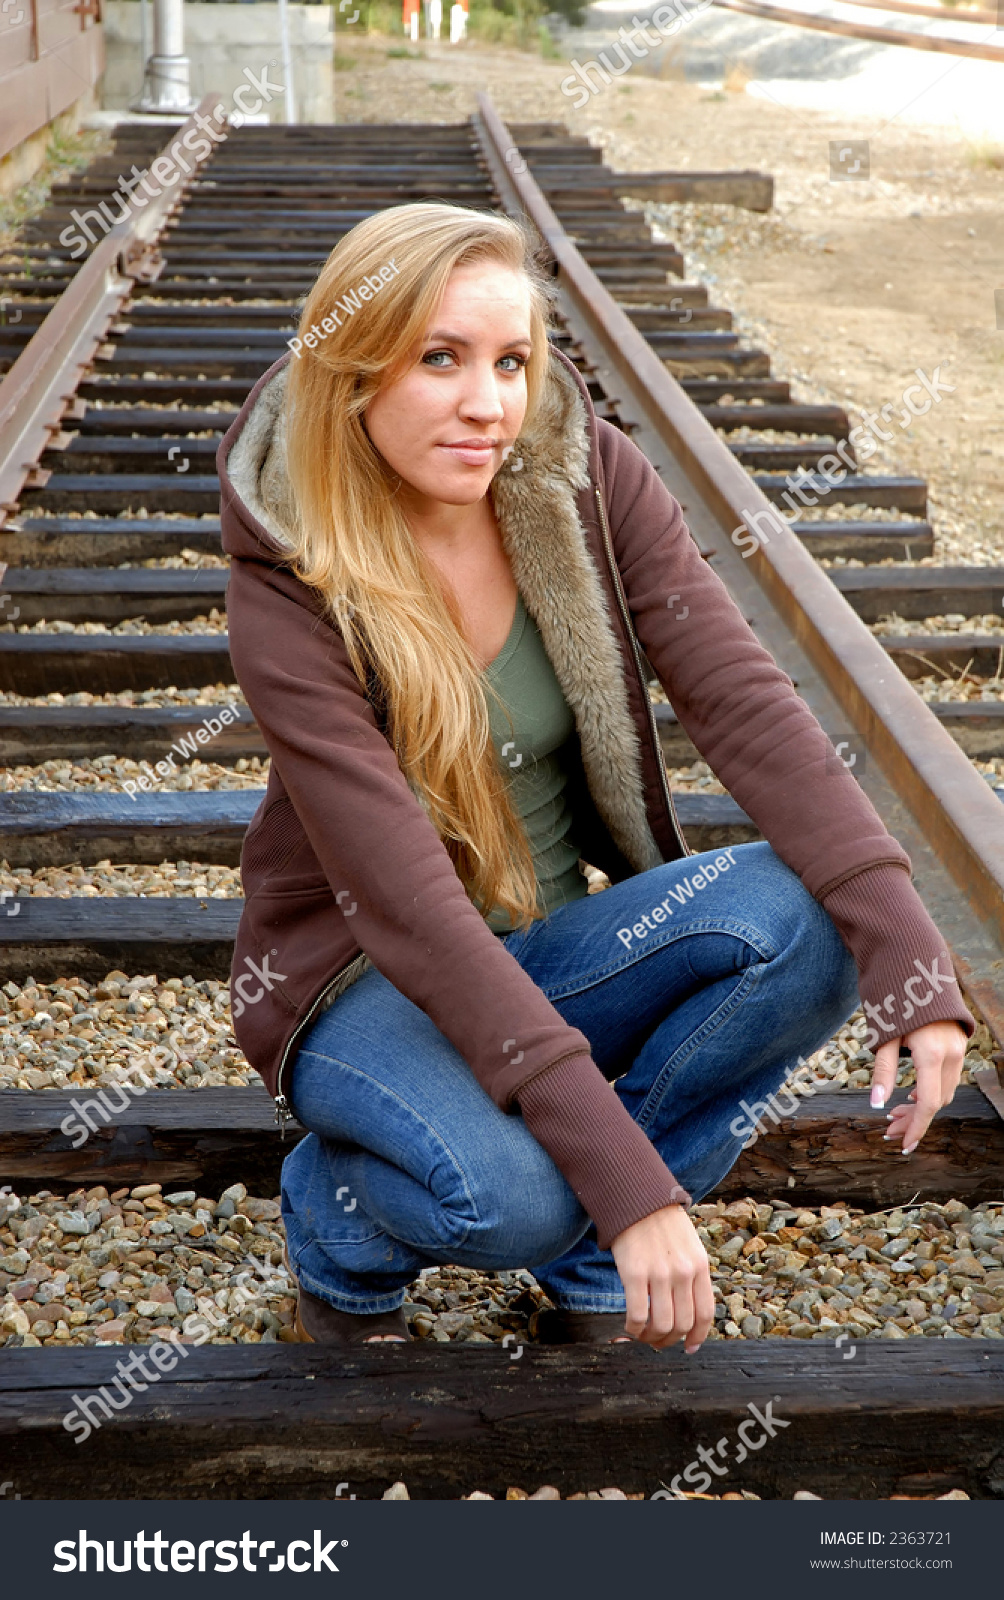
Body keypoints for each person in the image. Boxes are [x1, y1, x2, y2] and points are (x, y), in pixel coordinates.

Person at [218, 201, 972, 1349]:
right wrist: (630, 1185)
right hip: (361, 983)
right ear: (352, 371)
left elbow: (741, 699)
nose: (488, 404)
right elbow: (410, 911)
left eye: (511, 361)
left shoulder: (577, 477)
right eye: (439, 359)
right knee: (503, 1196)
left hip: (548, 940)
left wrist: (908, 955)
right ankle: (339, 1219)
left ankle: (583, 1235)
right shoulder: (287, 565)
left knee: (807, 914)